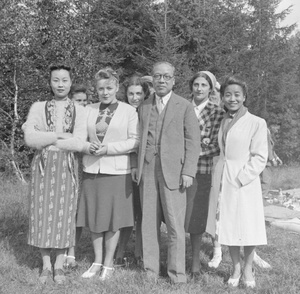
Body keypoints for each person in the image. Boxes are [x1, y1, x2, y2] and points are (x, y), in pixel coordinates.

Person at [132, 61, 200, 284]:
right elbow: (138, 139)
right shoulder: (143, 106)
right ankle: (150, 270)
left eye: (166, 76)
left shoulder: (184, 106)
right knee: (149, 223)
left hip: (175, 171)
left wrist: (188, 171)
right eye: (157, 76)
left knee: (174, 224)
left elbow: (193, 141)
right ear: (152, 79)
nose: (161, 80)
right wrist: (136, 166)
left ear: (173, 80)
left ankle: (177, 274)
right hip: (148, 170)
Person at [22, 64, 87, 284]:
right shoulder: (38, 107)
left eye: (64, 80)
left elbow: (78, 142)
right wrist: (60, 134)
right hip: (43, 165)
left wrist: (46, 136)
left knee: (64, 214)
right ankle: (46, 265)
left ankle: (59, 265)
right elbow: (30, 139)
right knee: (42, 213)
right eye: (56, 80)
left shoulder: (80, 110)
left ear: (70, 82)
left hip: (67, 166)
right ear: (50, 82)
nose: (60, 84)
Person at [76, 67, 139, 280]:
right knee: (94, 217)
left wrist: (109, 148)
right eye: (101, 88)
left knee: (113, 220)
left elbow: (134, 141)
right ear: (96, 89)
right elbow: (79, 137)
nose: (105, 92)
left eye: (109, 88)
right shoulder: (88, 110)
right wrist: (87, 146)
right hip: (92, 169)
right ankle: (96, 261)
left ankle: (109, 264)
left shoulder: (128, 111)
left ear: (117, 87)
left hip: (117, 171)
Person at [206, 76, 268, 288]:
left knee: (249, 225)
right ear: (222, 97)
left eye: (237, 95)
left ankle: (249, 268)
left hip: (245, 181)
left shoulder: (257, 122)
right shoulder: (223, 121)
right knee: (228, 225)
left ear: (244, 97)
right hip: (224, 178)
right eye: (228, 95)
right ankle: (236, 267)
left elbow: (260, 156)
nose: (232, 98)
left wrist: (243, 177)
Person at [184, 71, 224, 277]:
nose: (199, 88)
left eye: (203, 85)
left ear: (210, 89)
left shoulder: (217, 112)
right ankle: (174, 258)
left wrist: (190, 153)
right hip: (178, 170)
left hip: (202, 171)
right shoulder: (181, 107)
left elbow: (217, 146)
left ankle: (195, 263)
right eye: (196, 84)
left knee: (196, 218)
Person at [114, 74, 150, 267]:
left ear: (144, 93)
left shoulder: (148, 111)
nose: (135, 97)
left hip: (145, 168)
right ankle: (120, 251)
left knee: (142, 211)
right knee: (127, 210)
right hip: (123, 167)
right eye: (131, 93)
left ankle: (139, 252)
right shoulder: (122, 111)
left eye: (139, 93)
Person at [64, 84, 89, 269]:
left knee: (76, 212)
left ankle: (71, 252)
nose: (82, 103)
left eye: (84, 100)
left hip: (80, 167)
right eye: (78, 100)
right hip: (61, 166)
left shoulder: (88, 118)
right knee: (62, 211)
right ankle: (59, 250)